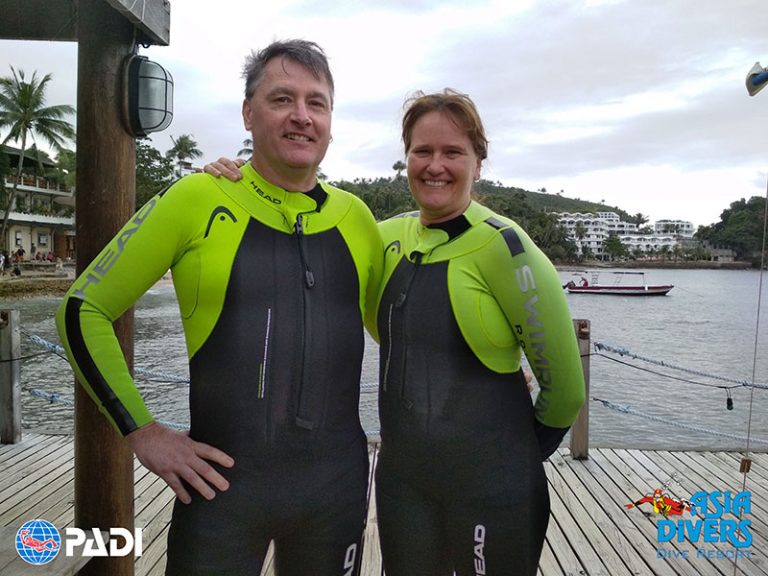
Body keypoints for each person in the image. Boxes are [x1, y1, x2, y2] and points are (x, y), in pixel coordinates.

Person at [206, 89, 585, 575]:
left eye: (453, 152)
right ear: (406, 158)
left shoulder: (507, 249)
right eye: (422, 151)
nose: (435, 166)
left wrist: (513, 458)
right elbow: (300, 224)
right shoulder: (382, 236)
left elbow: (566, 391)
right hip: (404, 485)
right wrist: (236, 182)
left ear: (478, 162)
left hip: (494, 487)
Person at [56, 39, 382, 576]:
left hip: (336, 493)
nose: (301, 116)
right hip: (222, 493)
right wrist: (142, 431)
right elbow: (81, 310)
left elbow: (399, 329)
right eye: (282, 99)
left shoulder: (358, 220)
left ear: (330, 120)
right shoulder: (197, 198)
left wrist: (496, 366)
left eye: (316, 102)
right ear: (249, 113)